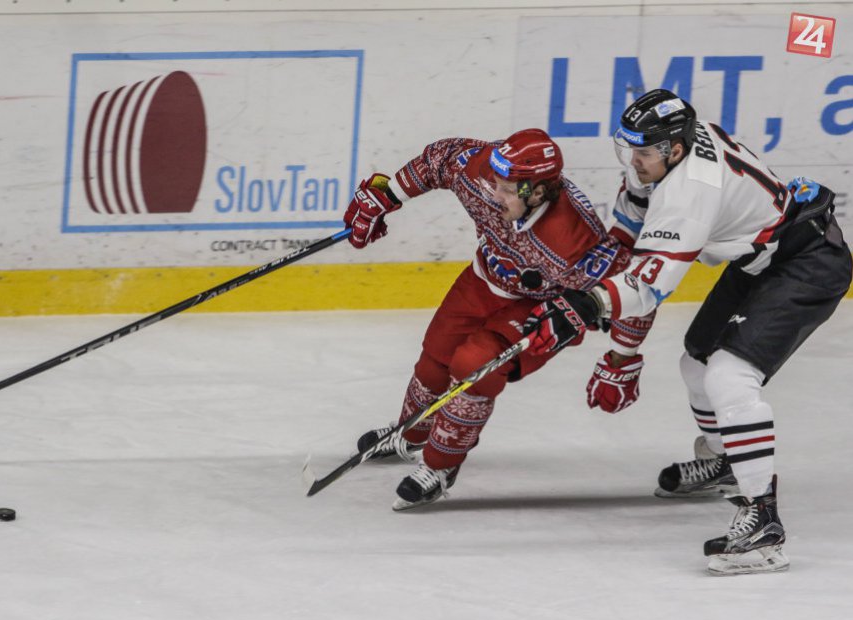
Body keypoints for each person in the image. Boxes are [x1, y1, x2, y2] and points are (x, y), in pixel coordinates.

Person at [521, 89, 852, 575]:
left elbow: (648, 286)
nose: (634, 161)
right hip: (762, 257)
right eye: (630, 148)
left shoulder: (689, 192)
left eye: (644, 152)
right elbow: (630, 227)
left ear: (674, 150)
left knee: (728, 376)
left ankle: (764, 522)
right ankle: (725, 462)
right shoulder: (666, 158)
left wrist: (586, 305)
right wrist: (584, 291)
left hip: (806, 263)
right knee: (695, 362)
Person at [342, 129, 653, 511]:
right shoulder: (482, 173)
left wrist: (623, 359)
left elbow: (634, 288)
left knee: (474, 365)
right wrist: (386, 196)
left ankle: (440, 466)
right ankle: (410, 433)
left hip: (538, 308)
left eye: (507, 189)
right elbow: (440, 158)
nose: (494, 194)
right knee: (435, 357)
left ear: (537, 193)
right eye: (495, 182)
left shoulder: (573, 238)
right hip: (484, 280)